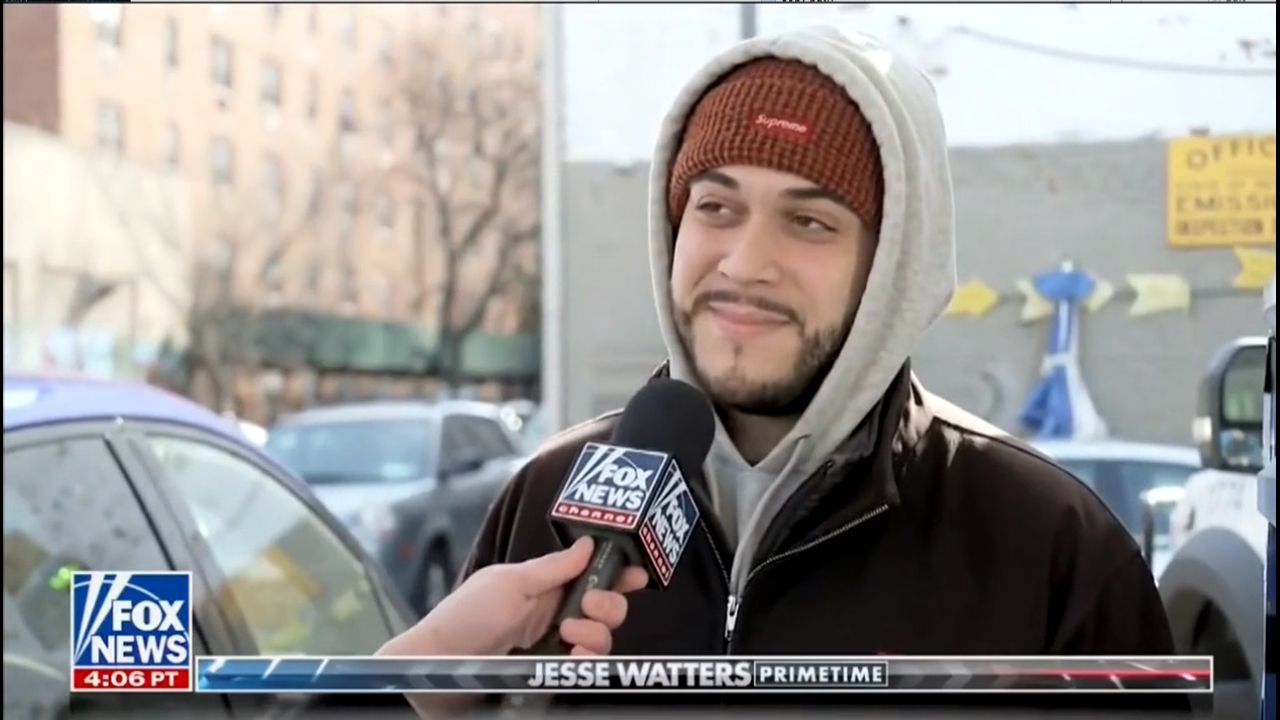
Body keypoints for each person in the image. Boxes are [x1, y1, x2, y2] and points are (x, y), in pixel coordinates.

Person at [383, 23, 1182, 713]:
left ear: (890, 270)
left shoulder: (1050, 548)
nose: (744, 262)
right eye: (716, 207)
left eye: (809, 221)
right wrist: (418, 694)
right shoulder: (545, 503)